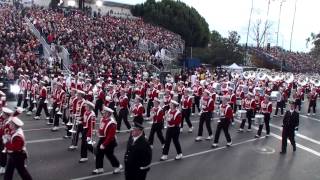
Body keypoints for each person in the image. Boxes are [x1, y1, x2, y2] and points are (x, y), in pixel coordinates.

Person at [92, 106, 123, 174]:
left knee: (109, 155)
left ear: (108, 114)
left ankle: (117, 166)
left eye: (105, 112)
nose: (103, 113)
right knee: (99, 153)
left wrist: (104, 144)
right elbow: (102, 128)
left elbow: (110, 136)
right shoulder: (103, 119)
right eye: (103, 112)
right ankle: (99, 168)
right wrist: (97, 132)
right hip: (103, 139)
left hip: (109, 141)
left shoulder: (112, 123)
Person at [0, 107, 14, 174]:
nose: (2, 114)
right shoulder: (2, 118)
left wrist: (5, 140)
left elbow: (9, 133)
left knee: (5, 152)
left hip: (6, 139)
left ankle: (3, 167)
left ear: (7, 115)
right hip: (1, 137)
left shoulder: (10, 122)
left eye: (3, 113)